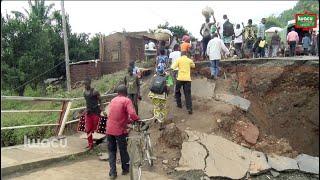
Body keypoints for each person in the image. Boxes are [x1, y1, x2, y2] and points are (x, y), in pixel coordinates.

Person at [106, 84, 140, 179]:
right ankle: (125, 169)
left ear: (118, 92)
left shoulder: (113, 100)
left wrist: (128, 120)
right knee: (123, 150)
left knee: (112, 151)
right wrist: (137, 119)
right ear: (126, 92)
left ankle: (113, 173)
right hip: (119, 130)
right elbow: (132, 113)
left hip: (109, 129)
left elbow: (115, 115)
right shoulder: (127, 100)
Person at [83, 77, 102, 150]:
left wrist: (101, 108)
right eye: (84, 84)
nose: (85, 86)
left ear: (89, 84)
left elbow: (100, 100)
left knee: (95, 127)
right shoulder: (84, 93)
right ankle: (90, 144)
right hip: (88, 113)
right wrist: (85, 110)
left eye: (86, 84)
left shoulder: (95, 91)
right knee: (88, 129)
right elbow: (87, 102)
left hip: (95, 112)